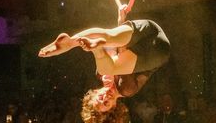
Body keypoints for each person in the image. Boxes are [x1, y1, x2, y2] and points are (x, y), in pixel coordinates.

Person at [39, 7, 170, 123]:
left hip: (150, 29)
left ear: (94, 93)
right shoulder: (126, 89)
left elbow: (115, 44)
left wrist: (121, 22)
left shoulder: (101, 75)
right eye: (106, 103)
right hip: (157, 50)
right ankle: (96, 48)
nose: (105, 98)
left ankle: (70, 43)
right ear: (114, 106)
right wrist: (121, 25)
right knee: (107, 67)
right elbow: (123, 50)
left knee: (108, 36)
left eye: (99, 98)